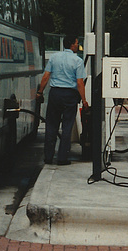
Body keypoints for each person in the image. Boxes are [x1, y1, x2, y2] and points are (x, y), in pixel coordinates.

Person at [36, 35, 89, 165]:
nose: (78, 45)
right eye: (77, 43)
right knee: (67, 127)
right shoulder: (78, 61)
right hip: (70, 95)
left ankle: (48, 157)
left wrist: (40, 92)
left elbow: (45, 76)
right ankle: (62, 158)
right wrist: (84, 100)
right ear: (72, 44)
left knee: (51, 125)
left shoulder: (54, 57)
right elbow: (80, 83)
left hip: (55, 94)